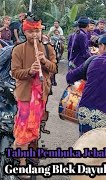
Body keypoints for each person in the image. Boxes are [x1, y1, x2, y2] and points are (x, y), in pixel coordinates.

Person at [10, 13, 57, 175]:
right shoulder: (18, 49)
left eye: (37, 31)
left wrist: (44, 61)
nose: (34, 35)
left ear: (41, 31)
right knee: (24, 129)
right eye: (31, 32)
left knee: (34, 128)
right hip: (25, 95)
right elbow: (15, 72)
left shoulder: (48, 48)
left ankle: (24, 151)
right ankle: (22, 164)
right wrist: (29, 71)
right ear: (25, 32)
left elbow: (54, 68)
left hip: (40, 95)